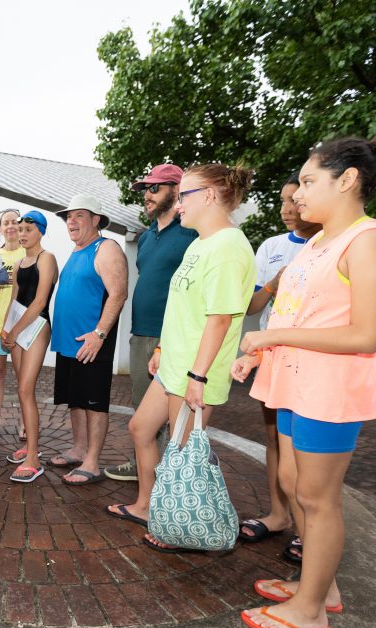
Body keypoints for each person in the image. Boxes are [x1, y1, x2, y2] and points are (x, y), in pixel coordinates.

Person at [234, 131, 376, 628]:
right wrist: (261, 353)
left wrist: (273, 335)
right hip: (293, 382)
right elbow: (301, 310)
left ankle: (311, 610)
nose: (298, 194)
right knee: (291, 484)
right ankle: (318, 585)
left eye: (308, 182)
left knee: (317, 496)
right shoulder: (316, 242)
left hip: (330, 390)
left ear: (347, 179)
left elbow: (366, 333)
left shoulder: (371, 239)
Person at [106, 164, 255, 549]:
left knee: (182, 452)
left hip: (194, 370)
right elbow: (184, 307)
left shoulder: (228, 247)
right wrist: (160, 349)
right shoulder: (199, 242)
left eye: (185, 194)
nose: (180, 204)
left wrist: (198, 376)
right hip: (174, 364)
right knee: (141, 429)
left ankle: (176, 527)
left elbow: (220, 318)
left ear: (208, 196)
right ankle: (145, 504)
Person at [237, 175, 323, 555]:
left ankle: (311, 528)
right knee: (275, 437)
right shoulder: (271, 246)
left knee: (308, 447)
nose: (288, 208)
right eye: (283, 200)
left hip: (315, 360)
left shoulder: (331, 245)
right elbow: (253, 306)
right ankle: (279, 515)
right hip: (275, 356)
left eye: (295, 199)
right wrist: (274, 282)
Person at [104, 163, 196, 482]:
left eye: (155, 188)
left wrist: (166, 341)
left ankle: (175, 480)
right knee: (142, 407)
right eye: (145, 189)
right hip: (140, 333)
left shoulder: (192, 234)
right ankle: (146, 470)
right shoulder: (145, 238)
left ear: (176, 190)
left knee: (174, 415)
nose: (147, 195)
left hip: (172, 338)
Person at [48, 194, 128, 485]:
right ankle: (79, 448)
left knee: (95, 403)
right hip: (71, 343)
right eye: (68, 216)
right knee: (76, 400)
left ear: (96, 220)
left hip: (92, 343)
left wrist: (99, 335)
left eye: (79, 215)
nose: (71, 221)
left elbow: (118, 293)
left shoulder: (105, 248)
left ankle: (92, 462)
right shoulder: (76, 251)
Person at [1, 210, 57, 483]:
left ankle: (34, 457)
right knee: (22, 391)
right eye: (20, 229)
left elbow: (39, 302)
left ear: (41, 232)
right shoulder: (22, 261)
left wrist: (13, 330)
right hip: (18, 328)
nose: (22, 233)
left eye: (28, 229)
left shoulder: (47, 259)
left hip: (36, 327)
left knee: (25, 389)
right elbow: (14, 298)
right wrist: (4, 327)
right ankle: (28, 446)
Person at [0, 209, 26, 440]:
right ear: (0, 228)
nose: (10, 226)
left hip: (23, 326)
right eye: (6, 223)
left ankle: (25, 421)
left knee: (24, 376)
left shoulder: (29, 252)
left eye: (14, 222)